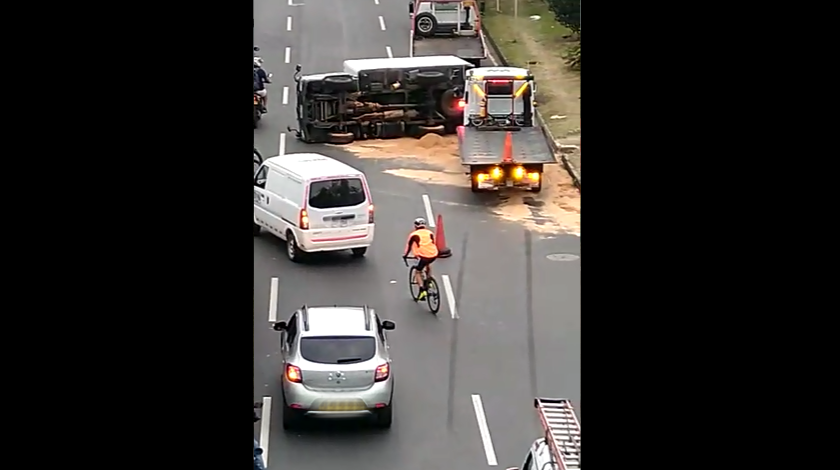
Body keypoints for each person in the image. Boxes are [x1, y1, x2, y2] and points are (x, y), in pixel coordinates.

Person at [403, 217, 439, 300]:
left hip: (423, 255)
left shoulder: (413, 235)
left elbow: (408, 247)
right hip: (434, 254)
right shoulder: (430, 233)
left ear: (415, 226)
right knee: (427, 264)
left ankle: (422, 290)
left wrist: (405, 255)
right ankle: (429, 281)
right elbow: (432, 243)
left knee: (418, 271)